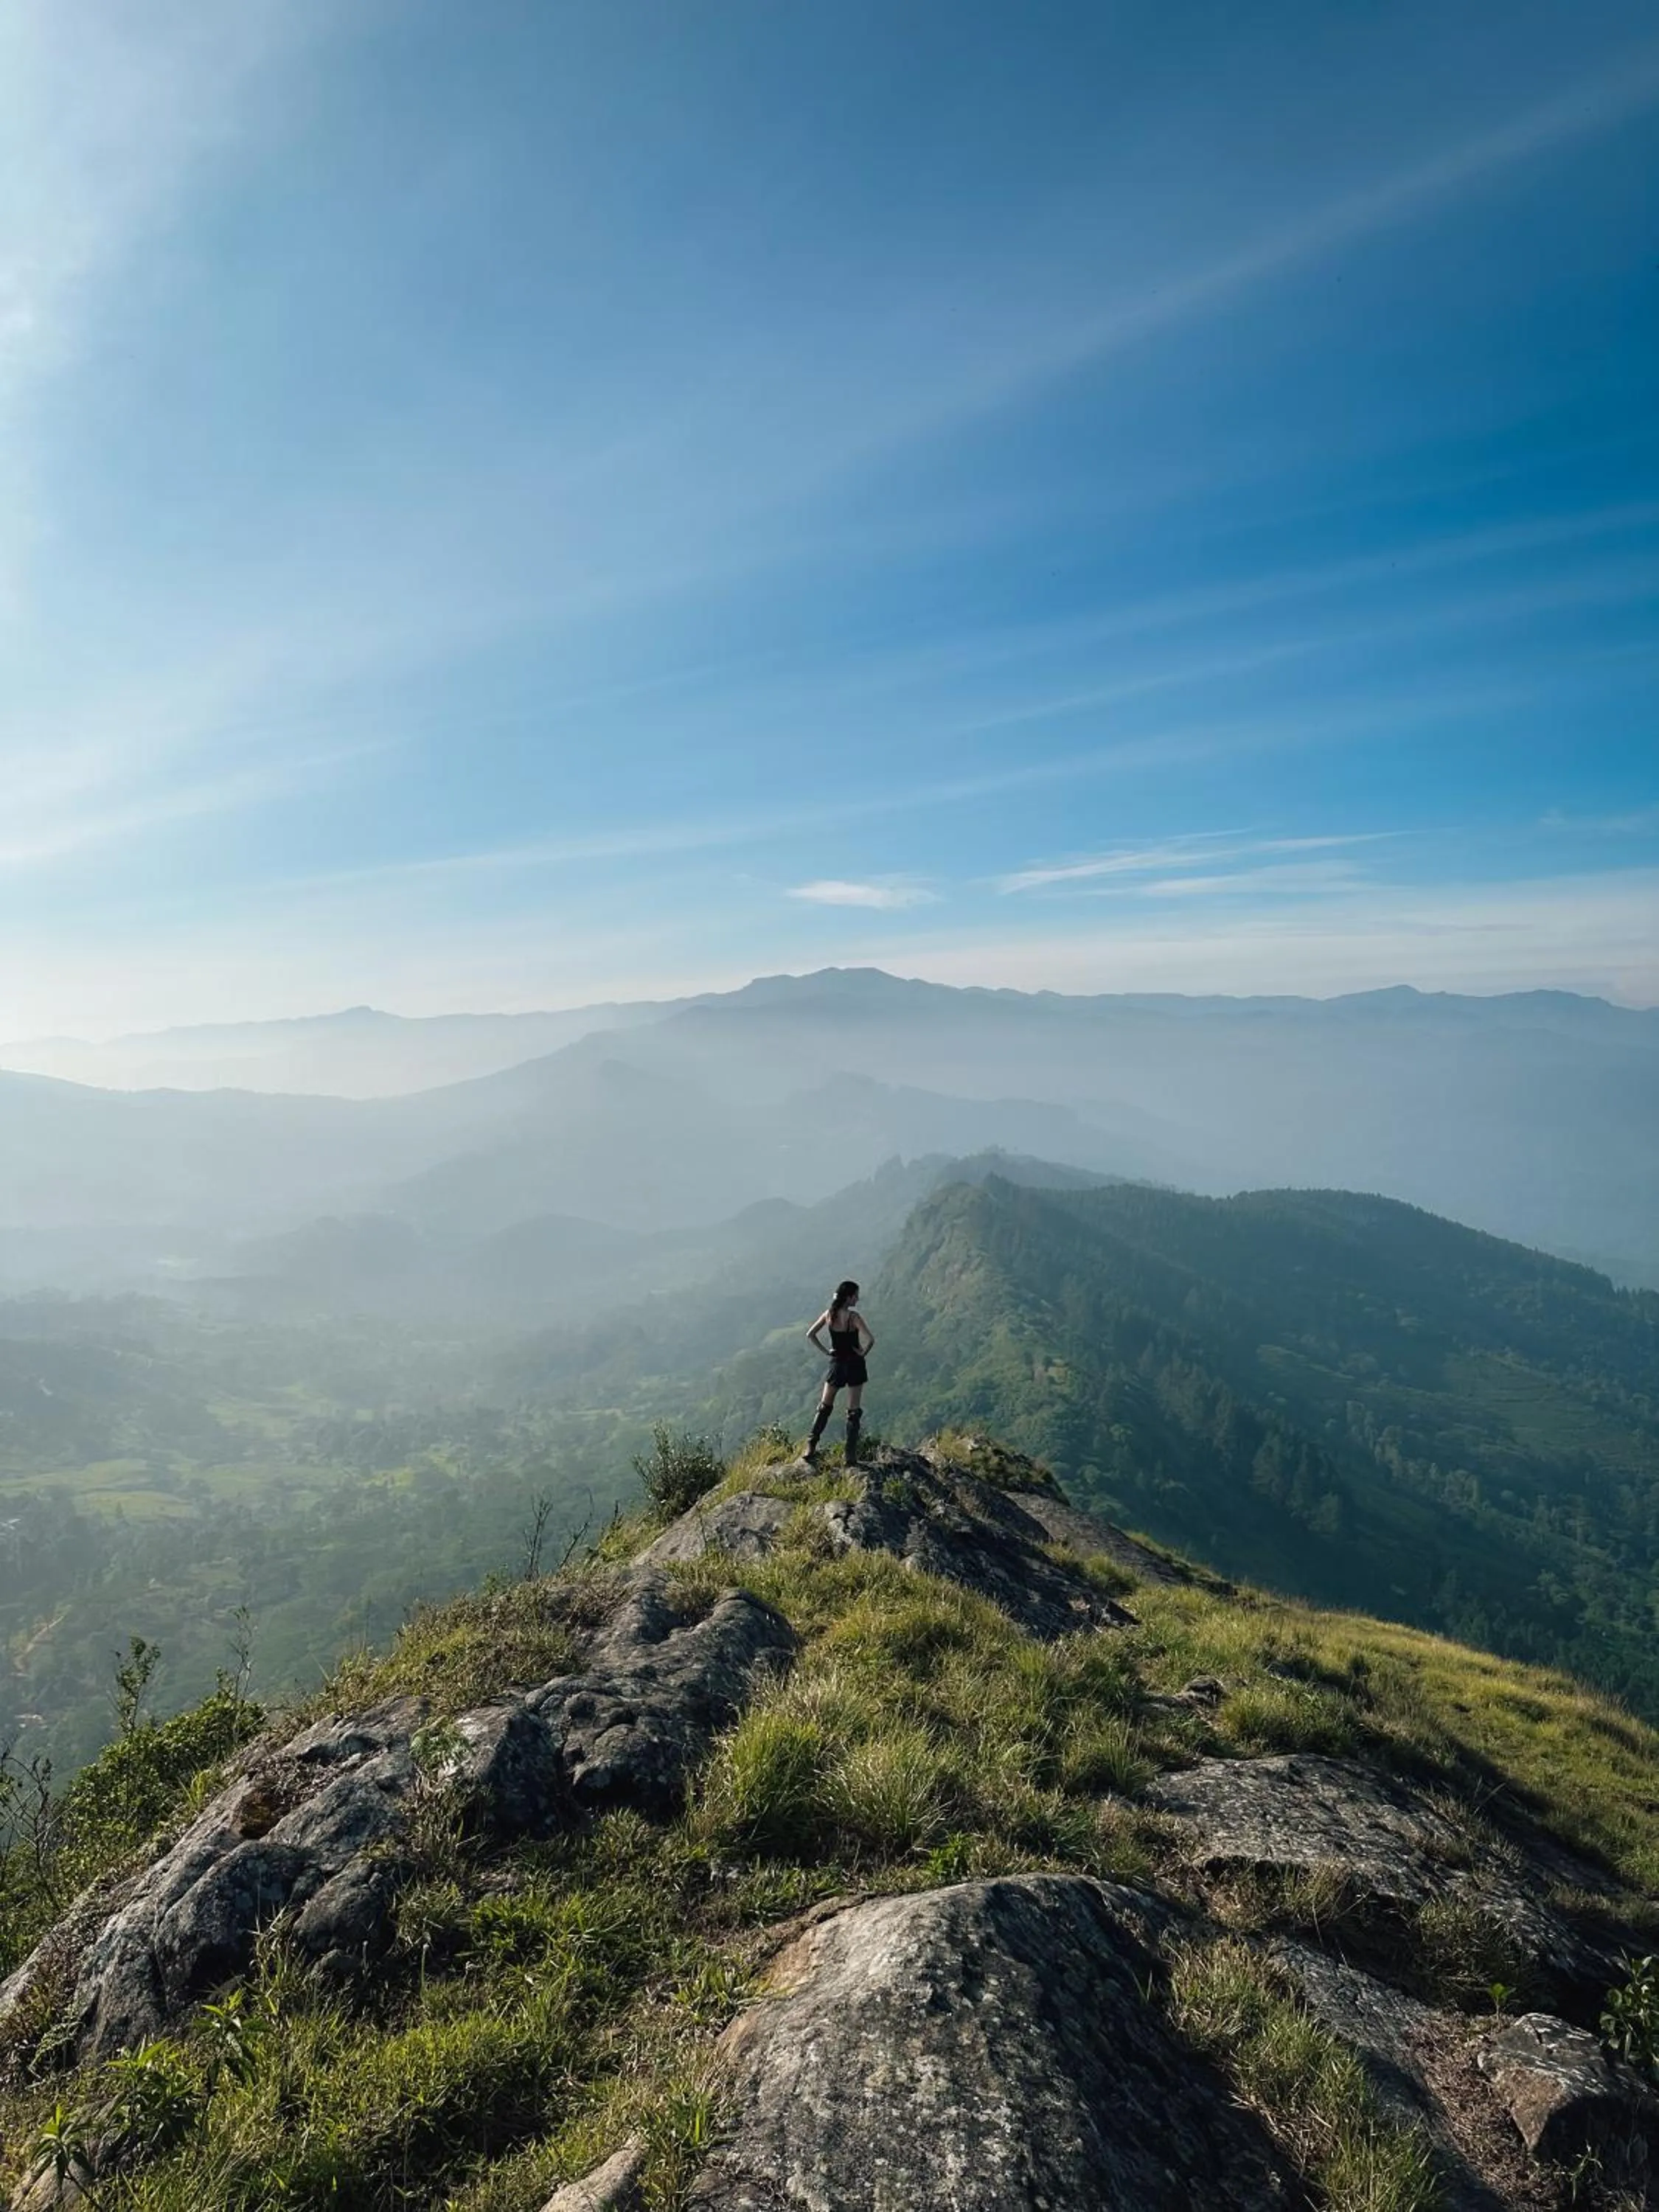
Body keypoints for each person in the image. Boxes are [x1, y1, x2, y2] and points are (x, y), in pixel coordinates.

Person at [804, 1279, 874, 1465]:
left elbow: (810, 1334)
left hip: (837, 1363)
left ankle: (811, 1445)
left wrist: (827, 1351)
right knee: (853, 1411)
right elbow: (870, 1340)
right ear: (849, 1297)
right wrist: (862, 1353)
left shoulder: (830, 1315)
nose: (858, 1299)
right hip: (855, 1364)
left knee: (825, 1406)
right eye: (856, 1295)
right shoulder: (854, 1318)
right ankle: (850, 1455)